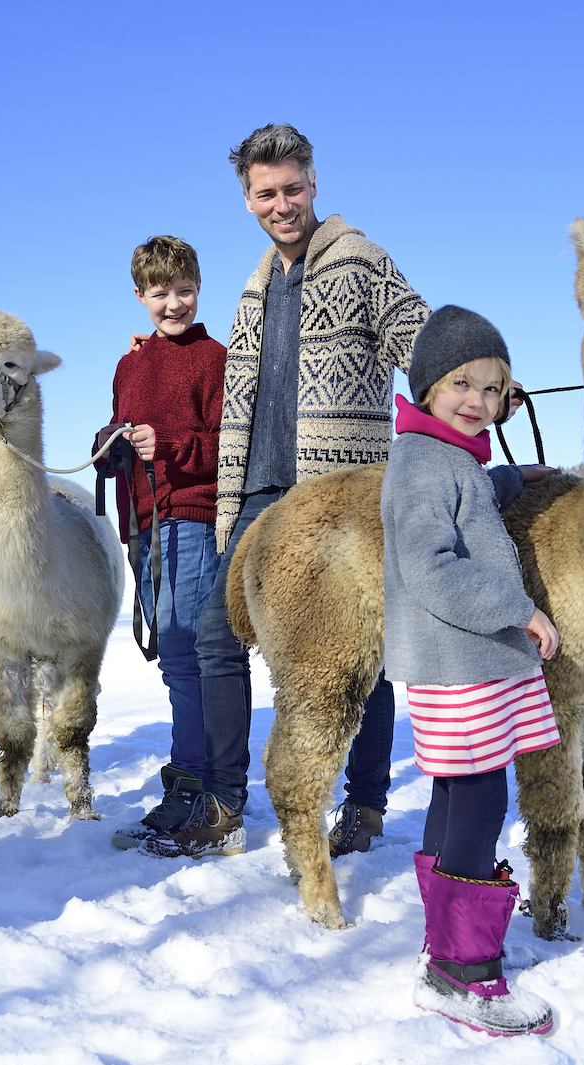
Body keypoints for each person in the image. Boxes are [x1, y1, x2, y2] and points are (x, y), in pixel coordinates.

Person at [140, 123, 429, 859]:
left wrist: (472, 371)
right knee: (216, 633)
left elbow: (417, 336)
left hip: (337, 493)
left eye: (292, 188)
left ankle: (363, 806)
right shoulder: (253, 286)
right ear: (247, 200)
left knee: (357, 651)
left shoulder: (361, 259)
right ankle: (225, 802)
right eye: (266, 193)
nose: (281, 203)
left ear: (313, 185)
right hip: (259, 494)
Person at [381, 305, 559, 1037]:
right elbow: (432, 563)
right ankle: (463, 970)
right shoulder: (425, 465)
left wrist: (513, 480)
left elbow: (472, 499)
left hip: (459, 663)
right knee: (482, 800)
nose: (479, 401)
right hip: (461, 663)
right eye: (462, 383)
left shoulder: (449, 458)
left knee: (458, 793)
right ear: (426, 386)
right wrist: (518, 607)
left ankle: (443, 946)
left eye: (494, 389)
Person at [93, 236, 228, 849]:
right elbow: (119, 436)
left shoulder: (213, 358)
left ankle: (198, 786)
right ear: (140, 296)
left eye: (184, 291)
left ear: (198, 288)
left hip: (192, 517)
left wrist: (168, 446)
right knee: (171, 657)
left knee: (186, 651)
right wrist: (112, 445)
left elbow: (230, 446)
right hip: (143, 520)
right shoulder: (129, 365)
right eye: (159, 293)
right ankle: (188, 781)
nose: (173, 304)